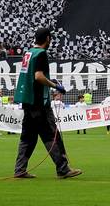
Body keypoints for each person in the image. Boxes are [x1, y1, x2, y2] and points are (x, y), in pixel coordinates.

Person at [11, 28, 81, 180]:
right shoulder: (41, 54)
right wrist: (55, 86)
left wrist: (50, 81)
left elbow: (32, 75)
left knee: (27, 137)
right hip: (39, 103)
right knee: (51, 135)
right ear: (48, 38)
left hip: (28, 101)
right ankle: (63, 169)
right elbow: (38, 76)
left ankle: (19, 169)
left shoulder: (29, 53)